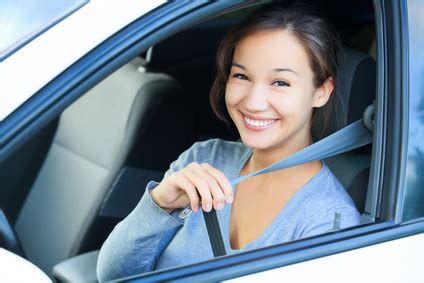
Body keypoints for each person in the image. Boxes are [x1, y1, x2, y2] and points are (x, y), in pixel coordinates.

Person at [97, 3, 361, 281]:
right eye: (241, 76)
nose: (254, 102)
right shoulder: (204, 159)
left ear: (322, 91)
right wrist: (160, 204)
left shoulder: (328, 223)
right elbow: (113, 275)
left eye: (280, 82)